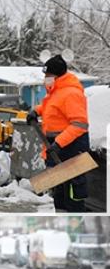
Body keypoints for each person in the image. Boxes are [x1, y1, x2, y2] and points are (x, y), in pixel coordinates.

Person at [28, 55, 91, 212]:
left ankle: (76, 220)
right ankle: (62, 219)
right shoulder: (55, 92)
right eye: (45, 75)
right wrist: (36, 111)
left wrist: (58, 143)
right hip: (57, 148)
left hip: (71, 148)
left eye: (48, 75)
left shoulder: (71, 93)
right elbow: (52, 108)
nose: (46, 79)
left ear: (57, 75)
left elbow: (79, 125)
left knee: (73, 193)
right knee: (59, 192)